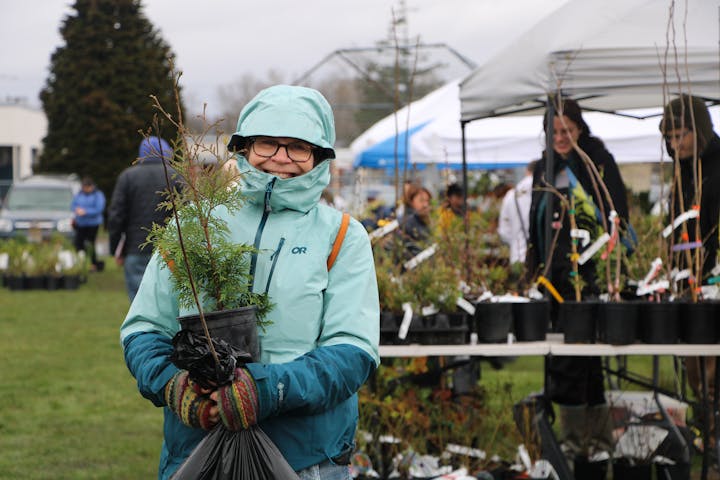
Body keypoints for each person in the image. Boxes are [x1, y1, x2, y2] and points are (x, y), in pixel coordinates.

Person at [120, 85, 380, 480]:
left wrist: (266, 390)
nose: (281, 158)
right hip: (198, 451)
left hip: (306, 457)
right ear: (244, 147)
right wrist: (173, 385)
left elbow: (352, 349)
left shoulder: (341, 236)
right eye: (267, 143)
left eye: (298, 147)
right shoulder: (193, 226)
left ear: (319, 156)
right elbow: (144, 329)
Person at [526, 98, 630, 470]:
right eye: (553, 131)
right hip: (550, 280)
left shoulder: (596, 162)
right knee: (567, 359)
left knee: (580, 360)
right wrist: (533, 266)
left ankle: (581, 447)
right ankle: (583, 446)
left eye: (567, 130)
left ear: (580, 128)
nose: (560, 137)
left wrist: (614, 262)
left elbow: (617, 214)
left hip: (586, 279)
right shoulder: (544, 166)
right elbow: (535, 221)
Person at [661, 94, 720, 448]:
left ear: (699, 131)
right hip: (687, 276)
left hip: (713, 276)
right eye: (669, 137)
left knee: (712, 361)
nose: (674, 143)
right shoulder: (681, 168)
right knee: (694, 363)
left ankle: (713, 436)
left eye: (680, 135)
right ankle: (705, 432)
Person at [107, 136, 180, 302]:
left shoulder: (127, 177)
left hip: (135, 249)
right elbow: (188, 213)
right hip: (170, 250)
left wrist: (115, 249)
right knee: (169, 302)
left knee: (139, 304)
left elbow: (116, 217)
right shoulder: (175, 176)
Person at [498, 161, 536, 264]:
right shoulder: (546, 192)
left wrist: (516, 242)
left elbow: (504, 231)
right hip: (541, 258)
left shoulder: (511, 195)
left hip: (517, 256)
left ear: (526, 171)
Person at [71, 176, 106, 271]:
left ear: (91, 186)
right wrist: (77, 210)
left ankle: (93, 263)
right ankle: (80, 262)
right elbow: (73, 205)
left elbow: (99, 209)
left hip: (93, 224)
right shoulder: (79, 195)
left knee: (90, 244)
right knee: (78, 243)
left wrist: (86, 212)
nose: (85, 189)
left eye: (87, 187)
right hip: (80, 223)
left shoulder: (98, 195)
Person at [398, 183, 432, 257]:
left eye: (428, 201)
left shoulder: (427, 222)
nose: (425, 205)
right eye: (421, 201)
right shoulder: (406, 224)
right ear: (411, 201)